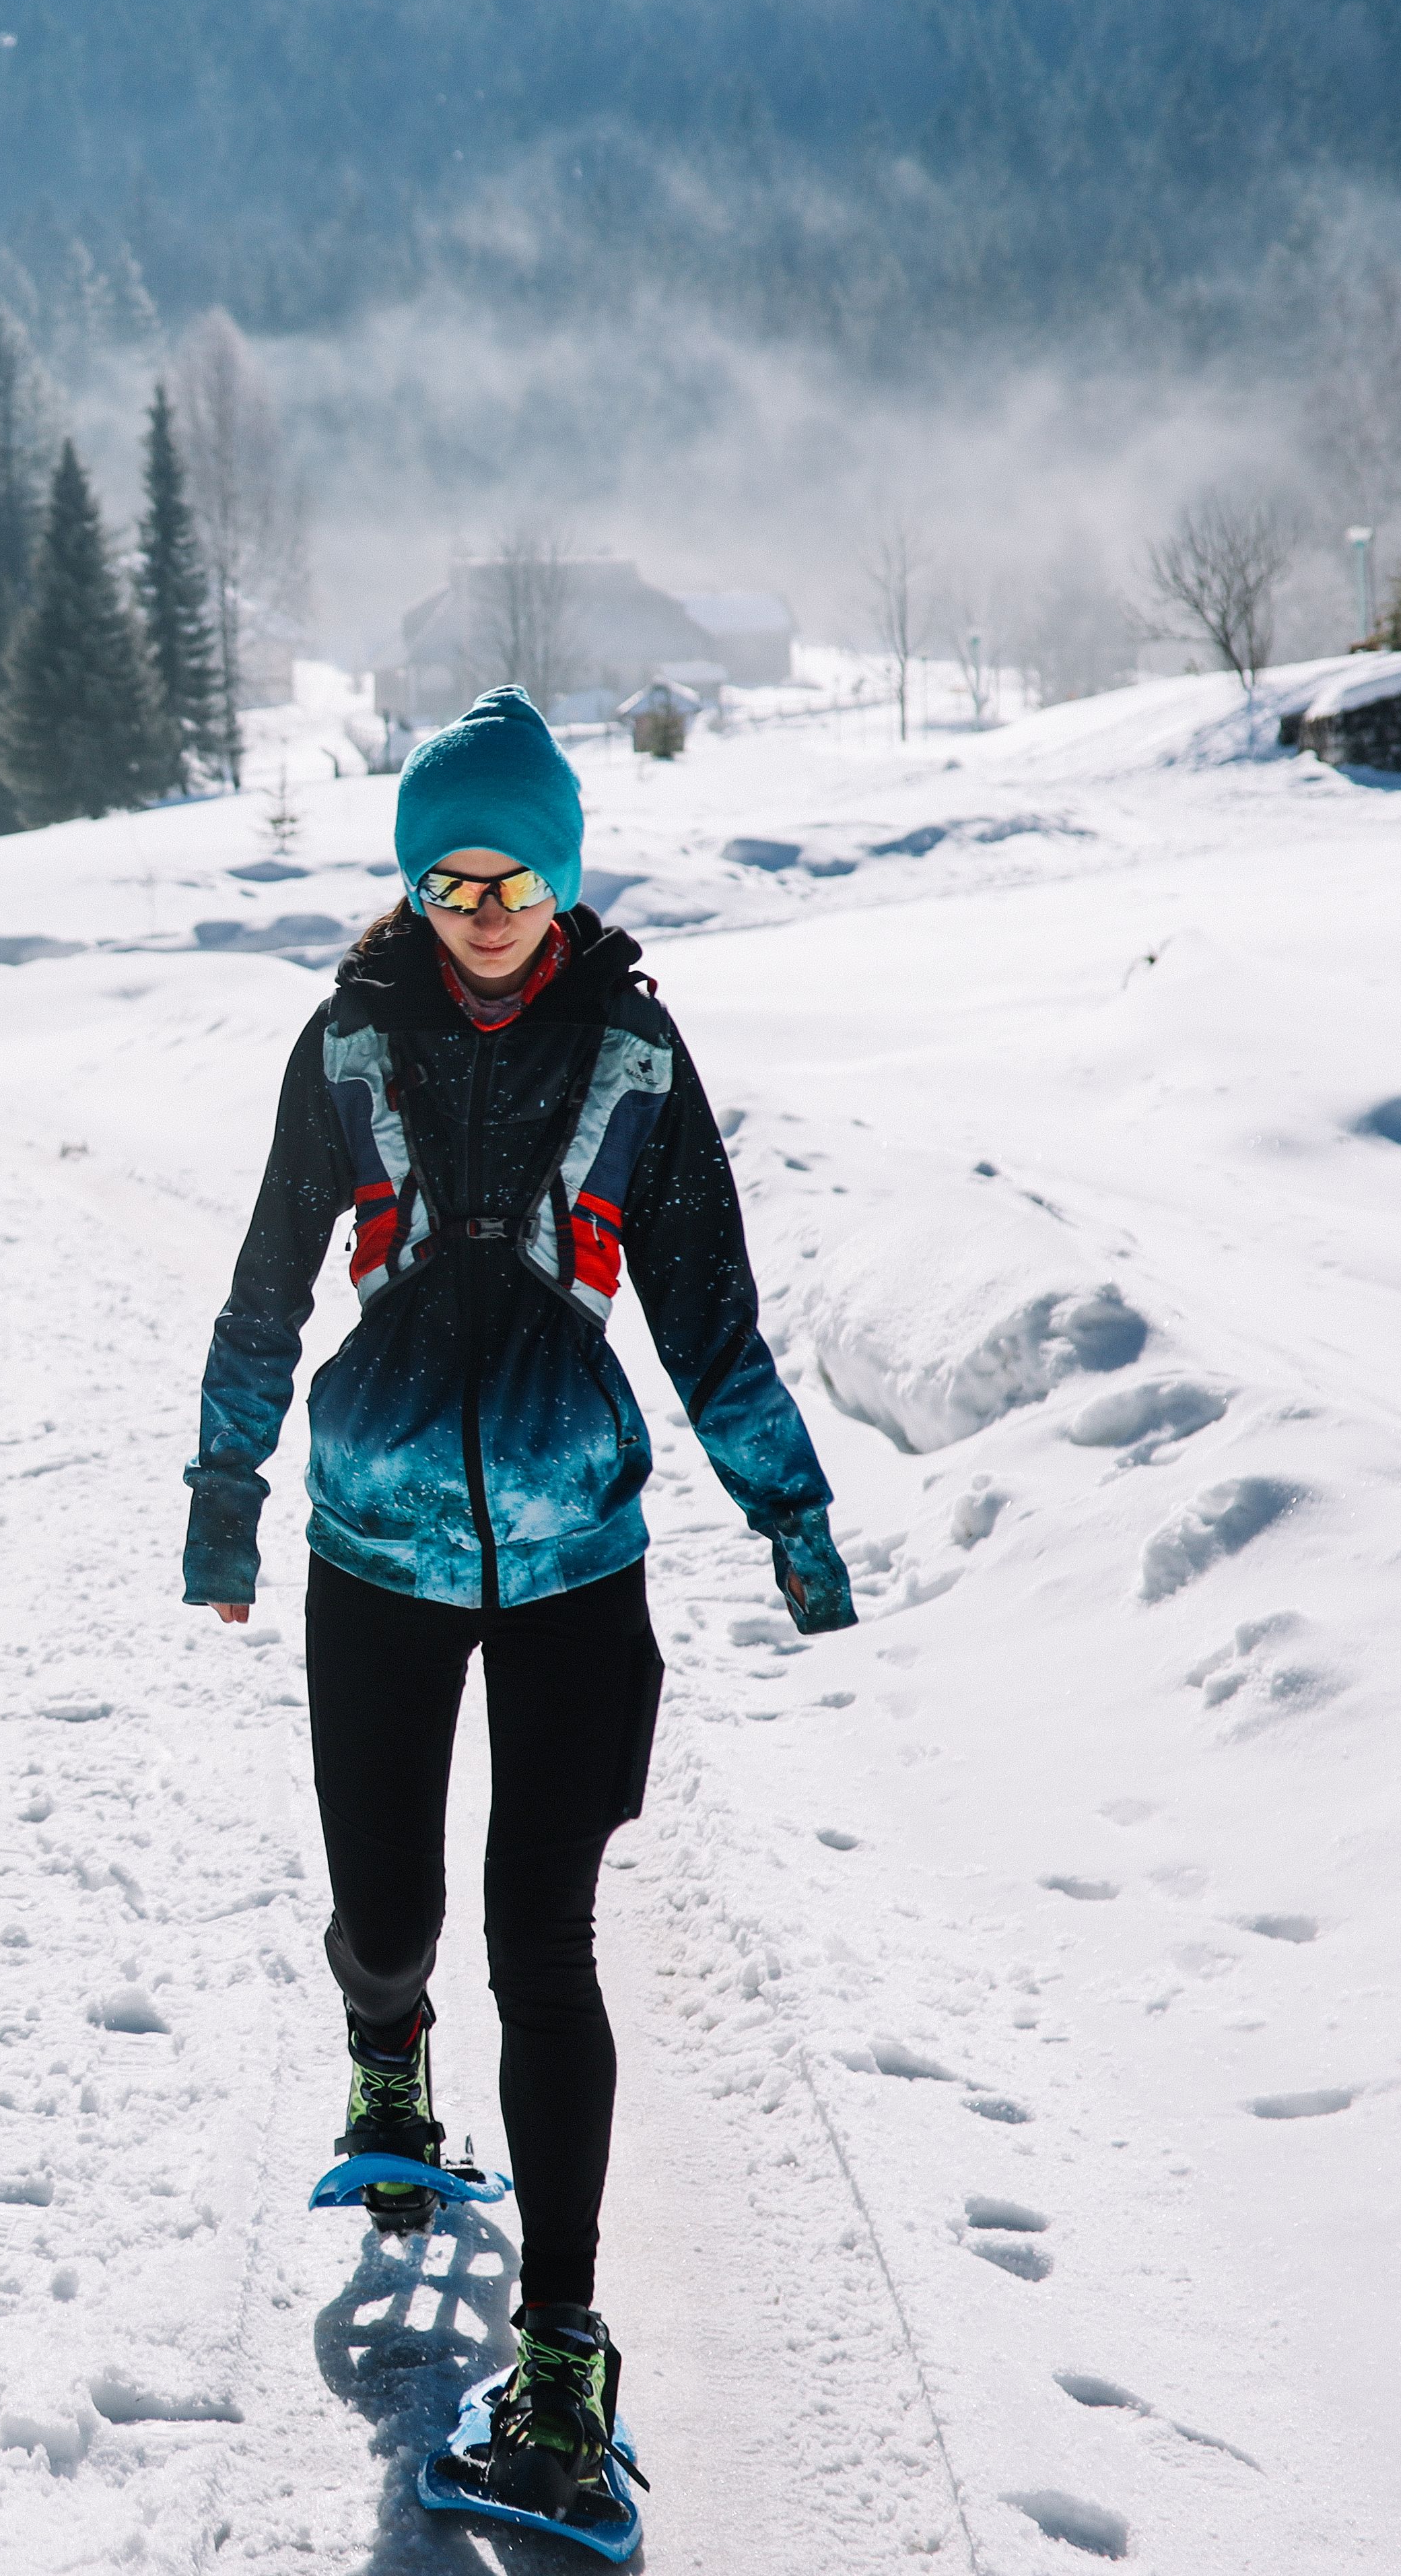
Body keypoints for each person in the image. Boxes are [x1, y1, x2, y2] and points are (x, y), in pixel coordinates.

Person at [182, 686, 849, 2535]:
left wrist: (789, 1512)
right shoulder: (347, 1048)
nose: (482, 907)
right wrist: (223, 1494)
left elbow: (710, 1313)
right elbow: (261, 1294)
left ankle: (561, 2339)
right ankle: (385, 2060)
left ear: (565, 883)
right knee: (390, 1914)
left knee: (541, 1948)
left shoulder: (635, 1055)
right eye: (450, 877)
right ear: (413, 885)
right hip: (373, 1559)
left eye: (516, 877)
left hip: (577, 1574)